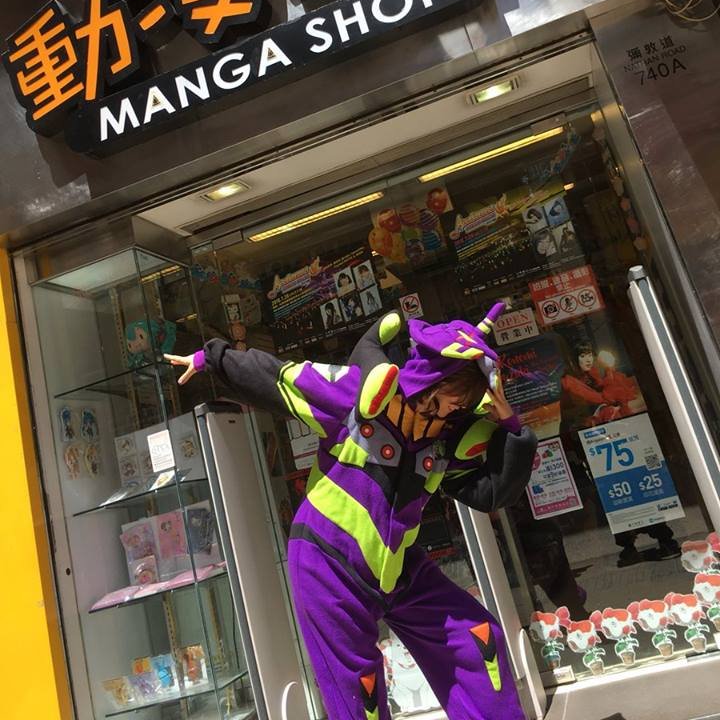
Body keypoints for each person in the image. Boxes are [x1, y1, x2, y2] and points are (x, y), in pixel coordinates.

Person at [166, 305, 537, 720]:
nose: (453, 415)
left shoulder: (445, 439)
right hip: (329, 566)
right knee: (360, 695)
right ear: (432, 381)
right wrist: (212, 357)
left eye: (461, 409)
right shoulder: (357, 398)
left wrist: (512, 427)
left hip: (397, 566)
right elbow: (279, 377)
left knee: (477, 638)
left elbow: (490, 492)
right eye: (450, 404)